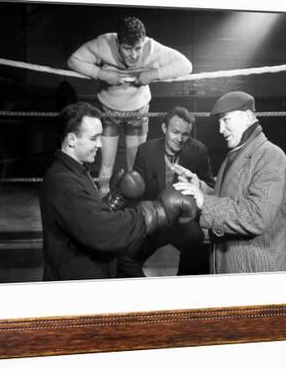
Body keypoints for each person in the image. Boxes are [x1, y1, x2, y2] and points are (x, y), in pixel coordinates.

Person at [39, 102, 198, 281]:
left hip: (89, 270)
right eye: (94, 138)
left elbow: (87, 218)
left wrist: (116, 197)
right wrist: (158, 210)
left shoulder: (76, 172)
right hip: (76, 284)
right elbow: (104, 231)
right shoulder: (63, 182)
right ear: (72, 140)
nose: (100, 145)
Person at [67, 17, 192, 196]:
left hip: (138, 112)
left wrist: (154, 74)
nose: (133, 56)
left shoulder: (151, 48)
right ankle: (103, 207)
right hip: (109, 111)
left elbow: (186, 65)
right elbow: (74, 60)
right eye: (127, 49)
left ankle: (133, 209)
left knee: (135, 168)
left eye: (137, 48)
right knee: (106, 166)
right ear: (118, 43)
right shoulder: (104, 43)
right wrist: (100, 74)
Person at [173, 91, 286, 274]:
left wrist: (204, 202)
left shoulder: (271, 156)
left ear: (246, 116)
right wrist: (200, 188)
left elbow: (257, 216)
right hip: (234, 266)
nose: (221, 129)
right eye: (219, 122)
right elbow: (231, 198)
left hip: (258, 273)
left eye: (226, 120)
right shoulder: (237, 154)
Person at [116, 106, 215, 277]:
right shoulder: (146, 151)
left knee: (196, 243)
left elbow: (210, 187)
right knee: (123, 255)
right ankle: (144, 298)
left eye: (185, 134)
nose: (180, 139)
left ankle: (183, 294)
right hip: (154, 219)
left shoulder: (198, 151)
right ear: (164, 129)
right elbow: (137, 191)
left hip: (182, 221)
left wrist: (198, 185)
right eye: (175, 132)